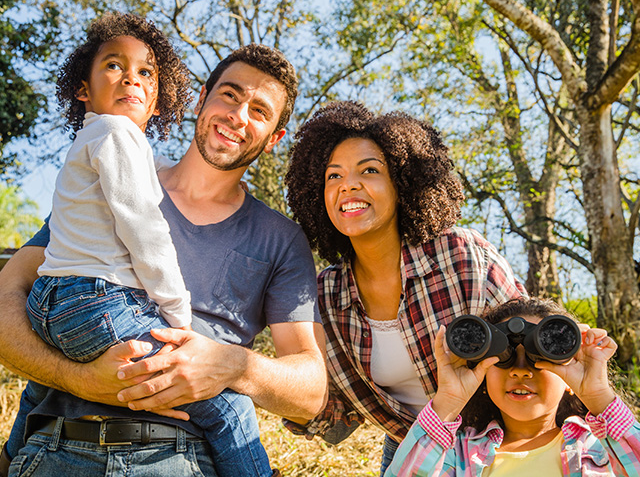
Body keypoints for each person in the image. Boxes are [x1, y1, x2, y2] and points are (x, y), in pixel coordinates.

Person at [0, 39, 327, 476]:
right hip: (57, 448)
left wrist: (231, 366)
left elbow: (311, 393)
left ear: (274, 139)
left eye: (260, 111)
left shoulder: (281, 239)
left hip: (180, 458)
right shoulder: (111, 177)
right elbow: (8, 303)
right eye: (229, 95)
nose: (237, 116)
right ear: (201, 99)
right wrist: (78, 379)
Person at [284, 100, 526, 475]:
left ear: (403, 184)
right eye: (334, 176)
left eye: (369, 170)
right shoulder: (325, 296)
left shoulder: (459, 255)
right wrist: (254, 376)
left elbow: (531, 348)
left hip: (499, 447)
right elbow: (335, 419)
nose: (349, 183)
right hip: (412, 452)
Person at [384, 298, 640, 476]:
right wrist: (448, 401)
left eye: (538, 358)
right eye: (503, 358)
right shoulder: (455, 454)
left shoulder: (600, 448)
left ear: (568, 380)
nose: (519, 370)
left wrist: (598, 396)